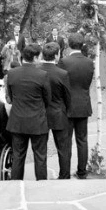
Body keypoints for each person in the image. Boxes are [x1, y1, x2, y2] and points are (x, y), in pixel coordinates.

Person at [5, 43, 50, 180]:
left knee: (18, 156)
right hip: (37, 120)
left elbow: (10, 98)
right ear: (35, 57)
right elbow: (48, 99)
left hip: (18, 120)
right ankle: (41, 184)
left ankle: (16, 184)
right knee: (40, 156)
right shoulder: (42, 75)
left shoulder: (11, 73)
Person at [59, 33, 94, 179]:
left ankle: (65, 173)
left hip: (67, 105)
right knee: (82, 139)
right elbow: (88, 83)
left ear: (68, 44)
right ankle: (82, 171)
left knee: (66, 141)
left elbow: (60, 84)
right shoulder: (89, 62)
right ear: (82, 45)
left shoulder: (64, 62)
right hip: (83, 104)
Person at [39, 42, 73, 179]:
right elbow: (68, 96)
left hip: (41, 114)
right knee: (63, 148)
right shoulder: (62, 73)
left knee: (41, 149)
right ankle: (64, 176)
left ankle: (41, 178)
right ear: (57, 55)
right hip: (59, 113)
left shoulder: (37, 71)